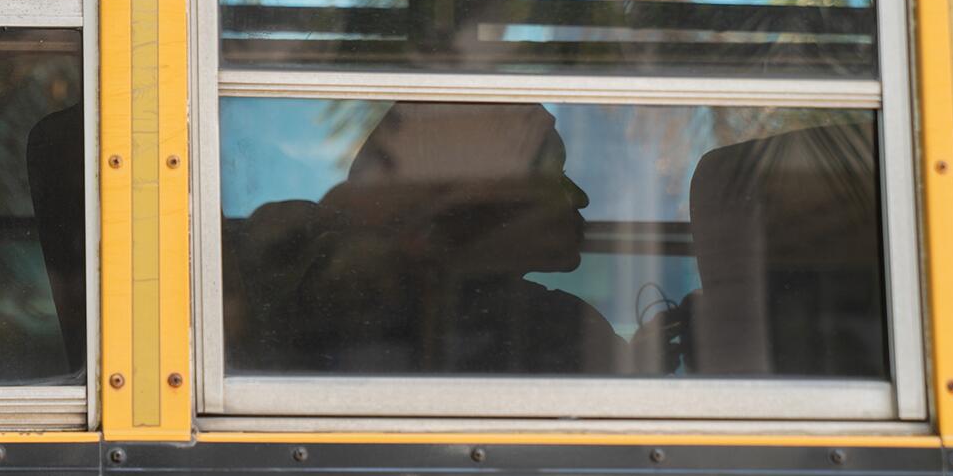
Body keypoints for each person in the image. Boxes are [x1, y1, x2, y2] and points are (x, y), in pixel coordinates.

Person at [224, 102, 649, 375]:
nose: (580, 195)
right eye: (552, 177)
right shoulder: (553, 327)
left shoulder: (351, 311)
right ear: (478, 208)